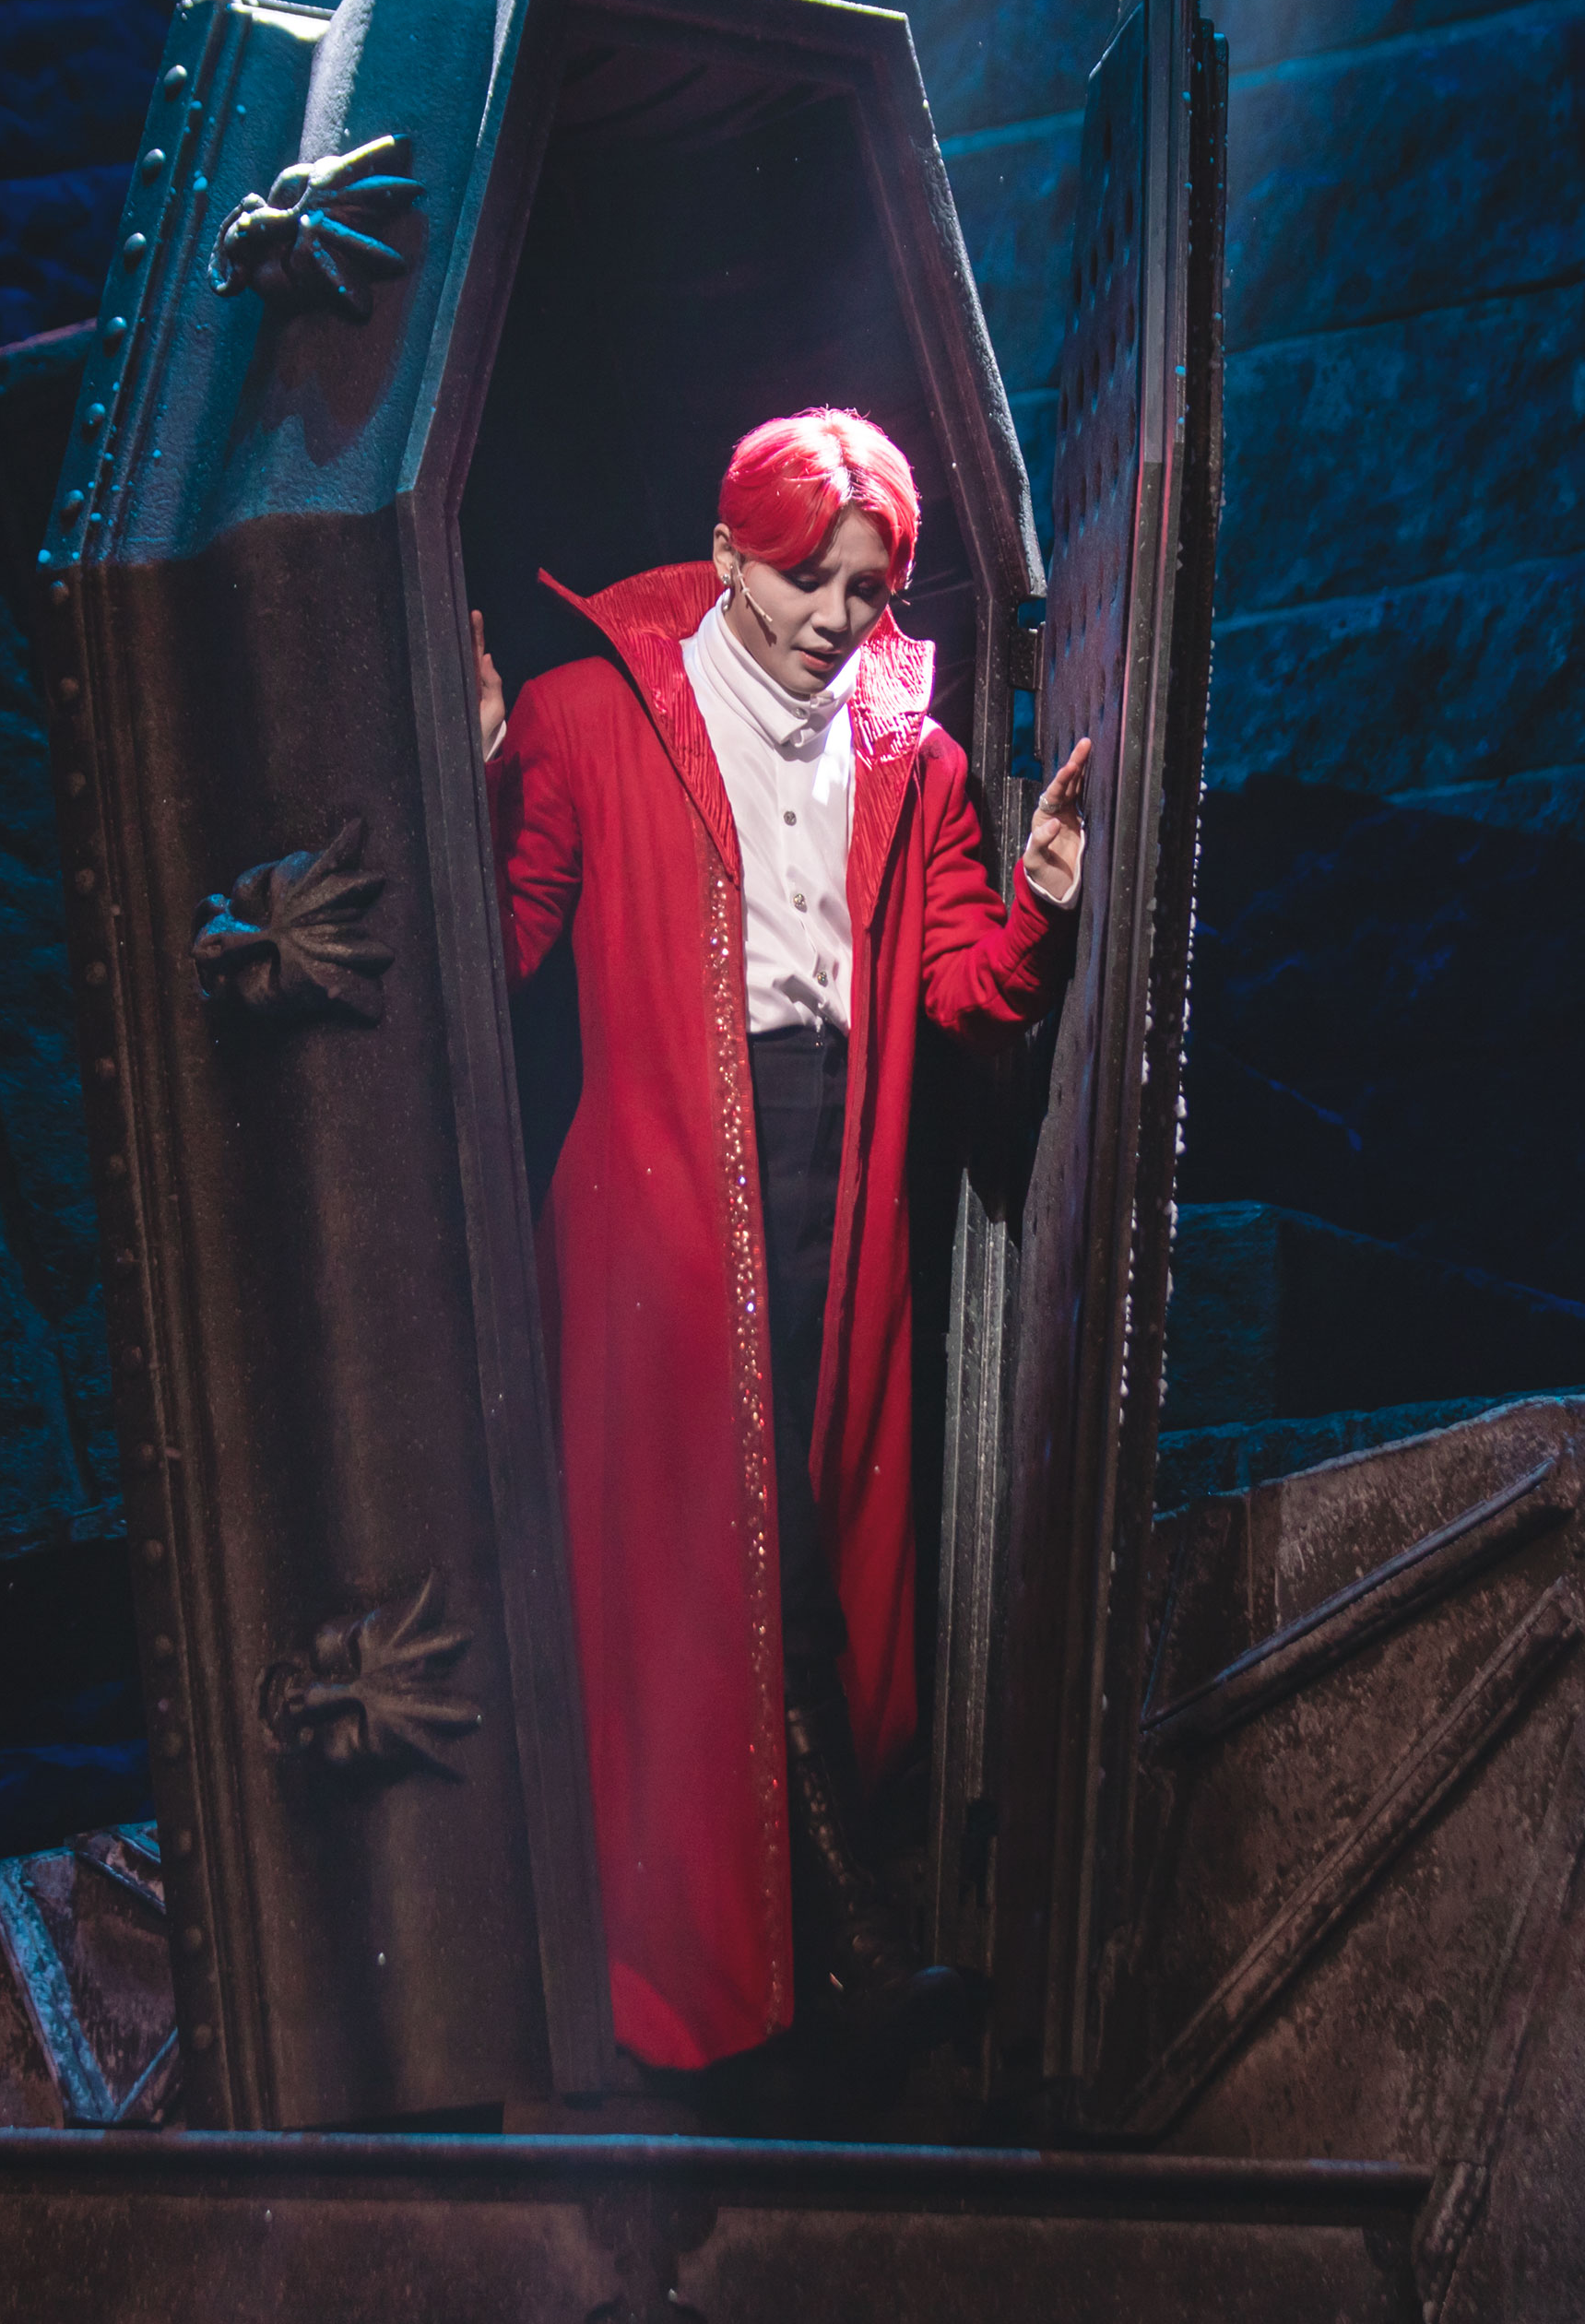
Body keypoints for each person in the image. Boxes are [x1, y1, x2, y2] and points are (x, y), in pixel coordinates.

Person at [472, 407, 1088, 2075]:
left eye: (868, 589)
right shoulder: (589, 718)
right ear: (728, 554)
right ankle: (834, 1958)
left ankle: (809, 1970)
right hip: (657, 1191)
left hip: (839, 1168)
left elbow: (966, 988)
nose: (835, 617)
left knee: (802, 1521)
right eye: (807, 577)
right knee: (726, 1549)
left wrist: (1040, 902)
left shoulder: (915, 756)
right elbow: (500, 950)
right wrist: (471, 782)